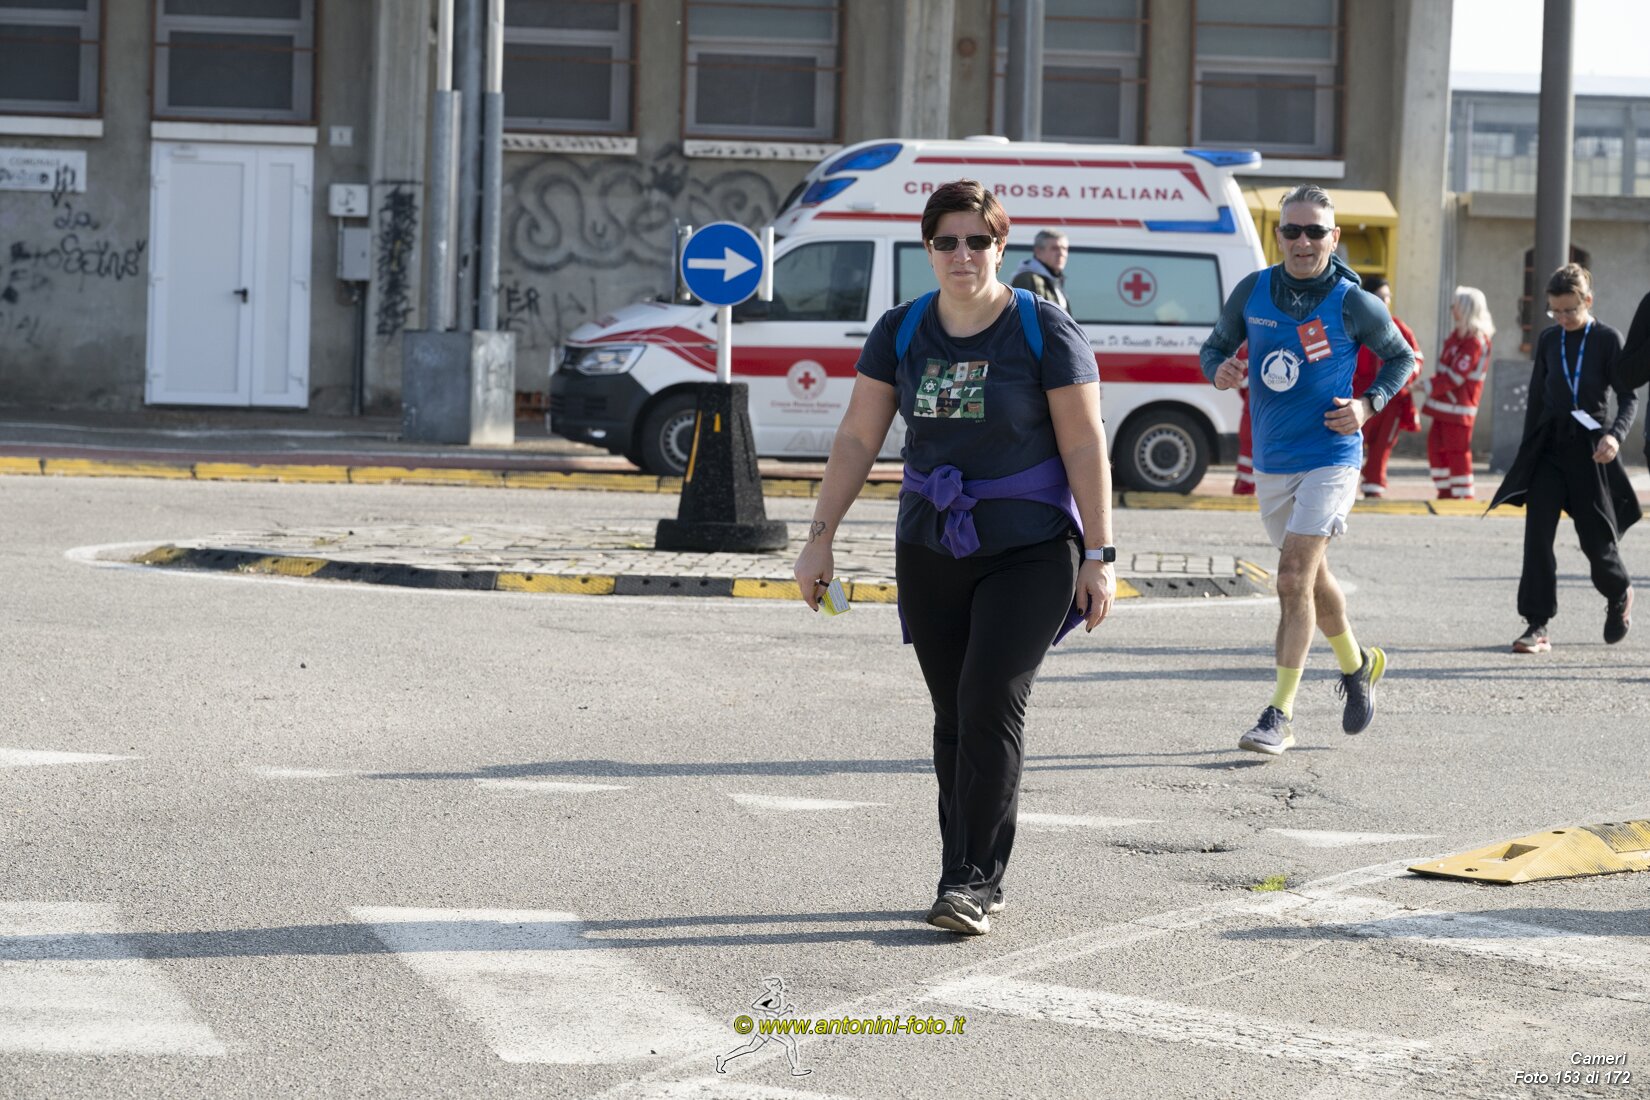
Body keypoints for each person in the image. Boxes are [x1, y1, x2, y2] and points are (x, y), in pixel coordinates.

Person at [793, 180, 1114, 936]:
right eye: (947, 241)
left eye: (977, 240)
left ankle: (971, 881)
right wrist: (819, 537)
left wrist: (1099, 553)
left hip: (1032, 546)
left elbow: (1083, 442)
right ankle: (961, 871)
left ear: (1000, 246)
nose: (962, 254)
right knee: (953, 715)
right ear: (928, 249)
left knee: (990, 700)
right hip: (930, 542)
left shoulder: (1043, 328)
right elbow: (858, 437)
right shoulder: (901, 329)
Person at [1199, 185, 1416, 756]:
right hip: (1274, 462)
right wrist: (1219, 369)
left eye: (1315, 231)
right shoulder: (1253, 290)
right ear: (1279, 236)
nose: (1303, 241)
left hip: (1331, 456)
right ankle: (1357, 664)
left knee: (1292, 576)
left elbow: (1402, 358)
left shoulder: (1353, 302)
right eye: (1292, 230)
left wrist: (1367, 405)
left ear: (1333, 237)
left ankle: (1280, 715)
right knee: (1313, 579)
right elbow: (1213, 348)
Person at [1488, 263, 1636, 654]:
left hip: (1590, 451)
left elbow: (1629, 398)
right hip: (1549, 448)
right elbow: (1538, 398)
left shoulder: (1607, 339)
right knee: (1537, 537)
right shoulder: (1550, 339)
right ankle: (1536, 624)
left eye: (1570, 309)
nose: (1562, 318)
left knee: (1595, 542)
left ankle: (1618, 592)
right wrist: (1526, 454)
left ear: (1588, 300)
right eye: (1555, 310)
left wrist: (1615, 437)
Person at [1353, 277, 1423, 499]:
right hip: (1359, 398)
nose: (1385, 302)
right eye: (1379, 297)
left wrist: (1403, 378)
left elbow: (1416, 358)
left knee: (1382, 447)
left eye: (1387, 297)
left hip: (1392, 399)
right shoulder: (1354, 327)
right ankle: (1344, 487)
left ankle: (1374, 489)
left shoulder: (1399, 327)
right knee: (1352, 443)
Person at [1423, 286, 1495, 499]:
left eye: (1455, 305)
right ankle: (1446, 491)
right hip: (1443, 405)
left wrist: (1426, 386)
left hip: (1459, 408)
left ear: (1465, 309)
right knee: (1436, 448)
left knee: (1457, 452)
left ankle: (1462, 495)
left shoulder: (1475, 341)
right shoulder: (1457, 336)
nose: (1452, 309)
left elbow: (1456, 376)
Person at [1010, 229, 1069, 310]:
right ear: (1038, 251)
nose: (1061, 254)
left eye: (1064, 249)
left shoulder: (1055, 281)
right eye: (1055, 248)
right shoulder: (1028, 279)